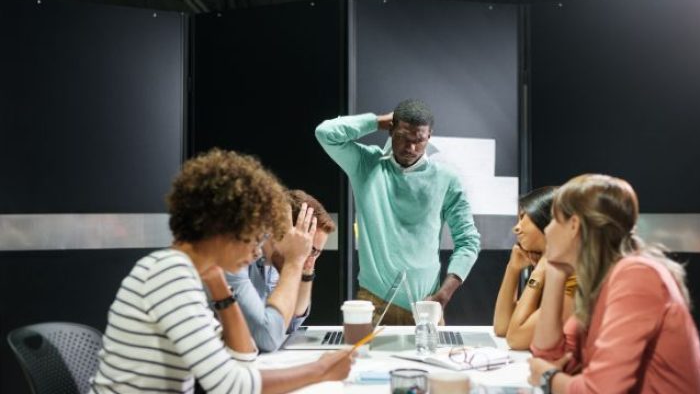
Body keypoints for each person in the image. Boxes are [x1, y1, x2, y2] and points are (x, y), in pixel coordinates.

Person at [89, 149, 353, 394]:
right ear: (223, 227)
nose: (257, 251)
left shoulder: (191, 274)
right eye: (252, 236)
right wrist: (321, 370)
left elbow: (245, 355)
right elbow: (229, 386)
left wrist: (220, 287)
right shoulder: (169, 273)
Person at [527, 174, 700, 394]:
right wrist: (554, 272)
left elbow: (599, 390)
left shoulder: (636, 277)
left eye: (554, 219)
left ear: (574, 225)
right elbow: (549, 356)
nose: (547, 230)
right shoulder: (603, 281)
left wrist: (549, 379)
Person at [315, 99, 481, 325]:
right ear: (391, 130)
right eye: (403, 137)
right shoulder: (366, 163)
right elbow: (326, 133)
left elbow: (468, 241)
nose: (411, 148)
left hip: (427, 304)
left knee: (431, 361)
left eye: (419, 140)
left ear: (429, 137)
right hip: (373, 302)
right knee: (363, 361)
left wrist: (444, 295)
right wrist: (376, 121)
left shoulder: (446, 179)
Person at [227, 189, 336, 352]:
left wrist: (306, 271)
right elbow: (267, 337)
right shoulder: (237, 256)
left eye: (317, 252)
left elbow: (291, 324)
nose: (310, 258)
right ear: (282, 231)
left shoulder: (275, 263)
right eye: (309, 249)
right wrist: (294, 261)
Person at [492, 187, 577, 350]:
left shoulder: (574, 275)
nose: (516, 228)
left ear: (549, 221)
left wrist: (538, 273)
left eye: (523, 218)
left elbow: (516, 339)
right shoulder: (553, 268)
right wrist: (513, 268)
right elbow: (502, 328)